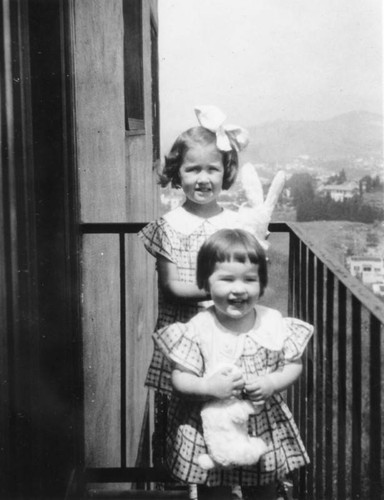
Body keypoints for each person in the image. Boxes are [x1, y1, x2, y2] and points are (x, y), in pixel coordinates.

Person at [152, 229, 314, 500]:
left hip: (259, 424)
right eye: (227, 279)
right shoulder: (199, 327)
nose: (239, 289)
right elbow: (180, 378)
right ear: (205, 283)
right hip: (211, 427)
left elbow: (292, 364)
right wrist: (208, 386)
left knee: (263, 487)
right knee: (214, 489)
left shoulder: (271, 322)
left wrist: (272, 382)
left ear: (261, 284)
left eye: (249, 280)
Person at [138, 106, 249, 466]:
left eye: (212, 169)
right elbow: (172, 287)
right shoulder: (169, 225)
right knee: (190, 427)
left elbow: (246, 280)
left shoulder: (234, 224)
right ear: (177, 173)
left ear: (225, 173)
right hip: (185, 339)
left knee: (229, 417)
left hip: (227, 337)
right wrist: (218, 288)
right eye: (192, 169)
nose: (203, 178)